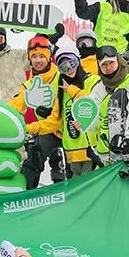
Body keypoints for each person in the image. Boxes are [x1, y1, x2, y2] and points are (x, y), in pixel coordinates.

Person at [8, 36, 65, 189]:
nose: (38, 61)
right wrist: (4, 114)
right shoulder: (30, 84)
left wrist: (29, 127)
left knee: (74, 165)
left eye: (42, 56)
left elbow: (57, 120)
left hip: (69, 131)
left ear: (49, 58)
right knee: (33, 155)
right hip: (48, 131)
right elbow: (17, 102)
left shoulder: (61, 78)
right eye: (34, 57)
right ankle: (26, 195)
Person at [88, 45, 129, 172]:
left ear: (119, 61)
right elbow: (92, 115)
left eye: (111, 63)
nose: (108, 67)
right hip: (107, 152)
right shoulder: (99, 88)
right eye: (104, 65)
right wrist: (85, 125)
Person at [55, 49, 102, 177]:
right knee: (75, 185)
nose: (70, 70)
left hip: (91, 146)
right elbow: (58, 117)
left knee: (87, 185)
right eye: (64, 67)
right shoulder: (60, 88)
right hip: (72, 149)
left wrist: (73, 91)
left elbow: (92, 105)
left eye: (72, 63)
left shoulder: (93, 81)